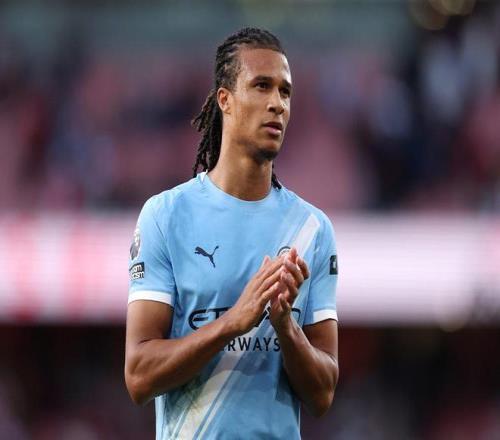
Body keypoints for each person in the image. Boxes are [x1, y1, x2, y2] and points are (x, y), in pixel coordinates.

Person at [125, 27, 339, 440]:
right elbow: (138, 377)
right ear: (224, 99)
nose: (277, 103)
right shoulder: (166, 216)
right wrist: (232, 323)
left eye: (285, 91)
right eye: (261, 86)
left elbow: (323, 395)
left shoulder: (312, 230)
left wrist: (285, 327)